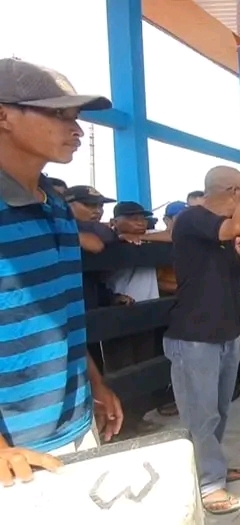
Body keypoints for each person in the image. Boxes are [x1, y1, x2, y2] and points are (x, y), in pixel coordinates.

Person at [0, 57, 123, 485]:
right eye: (59, 114)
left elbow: (62, 315)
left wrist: (94, 382)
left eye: (76, 117)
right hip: (15, 453)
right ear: (4, 115)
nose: (77, 129)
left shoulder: (55, 206)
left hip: (75, 425)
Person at [162, 134, 240, 514]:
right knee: (200, 413)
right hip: (194, 336)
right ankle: (209, 482)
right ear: (234, 191)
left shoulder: (230, 228)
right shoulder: (194, 220)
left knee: (219, 409)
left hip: (227, 332)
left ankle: (211, 466)